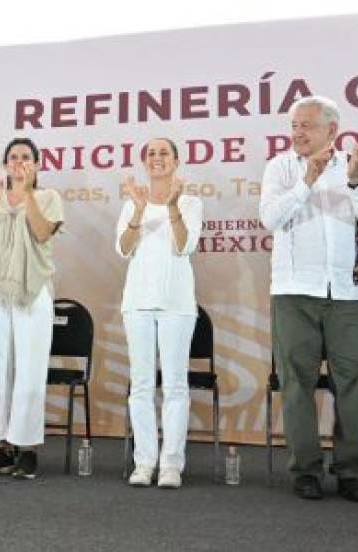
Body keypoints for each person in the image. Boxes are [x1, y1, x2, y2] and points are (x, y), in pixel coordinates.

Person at [260, 95, 358, 502]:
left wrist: (356, 181)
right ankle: (305, 470)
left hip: (348, 292)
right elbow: (271, 219)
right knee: (296, 382)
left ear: (332, 130)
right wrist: (306, 182)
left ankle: (352, 471)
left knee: (355, 383)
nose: (297, 133)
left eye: (307, 125)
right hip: (295, 291)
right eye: (294, 125)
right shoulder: (279, 168)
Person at [0, 138, 63, 479]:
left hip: (32, 292)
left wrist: (25, 195)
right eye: (13, 157)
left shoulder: (48, 197)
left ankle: (26, 449)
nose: (19, 162)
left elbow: (41, 233)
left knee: (29, 370)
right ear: (5, 163)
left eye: (26, 157)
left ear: (37, 164)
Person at [117, 138, 203, 489]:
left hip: (176, 304)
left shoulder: (191, 202)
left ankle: (171, 464)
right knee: (140, 386)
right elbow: (124, 249)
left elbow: (184, 245)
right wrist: (138, 210)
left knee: (174, 386)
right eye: (151, 154)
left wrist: (171, 207)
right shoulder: (131, 204)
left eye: (163, 153)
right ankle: (144, 462)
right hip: (137, 302)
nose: (156, 158)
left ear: (176, 161)